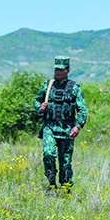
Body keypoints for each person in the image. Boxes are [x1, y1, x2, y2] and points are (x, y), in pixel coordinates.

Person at [34, 56, 88, 192]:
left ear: (67, 70)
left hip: (67, 129)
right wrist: (40, 107)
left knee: (65, 162)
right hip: (49, 127)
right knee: (48, 154)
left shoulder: (74, 88)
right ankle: (51, 184)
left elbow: (82, 109)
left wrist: (78, 126)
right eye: (56, 69)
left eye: (61, 69)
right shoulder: (48, 85)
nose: (57, 72)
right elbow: (36, 101)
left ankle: (66, 189)